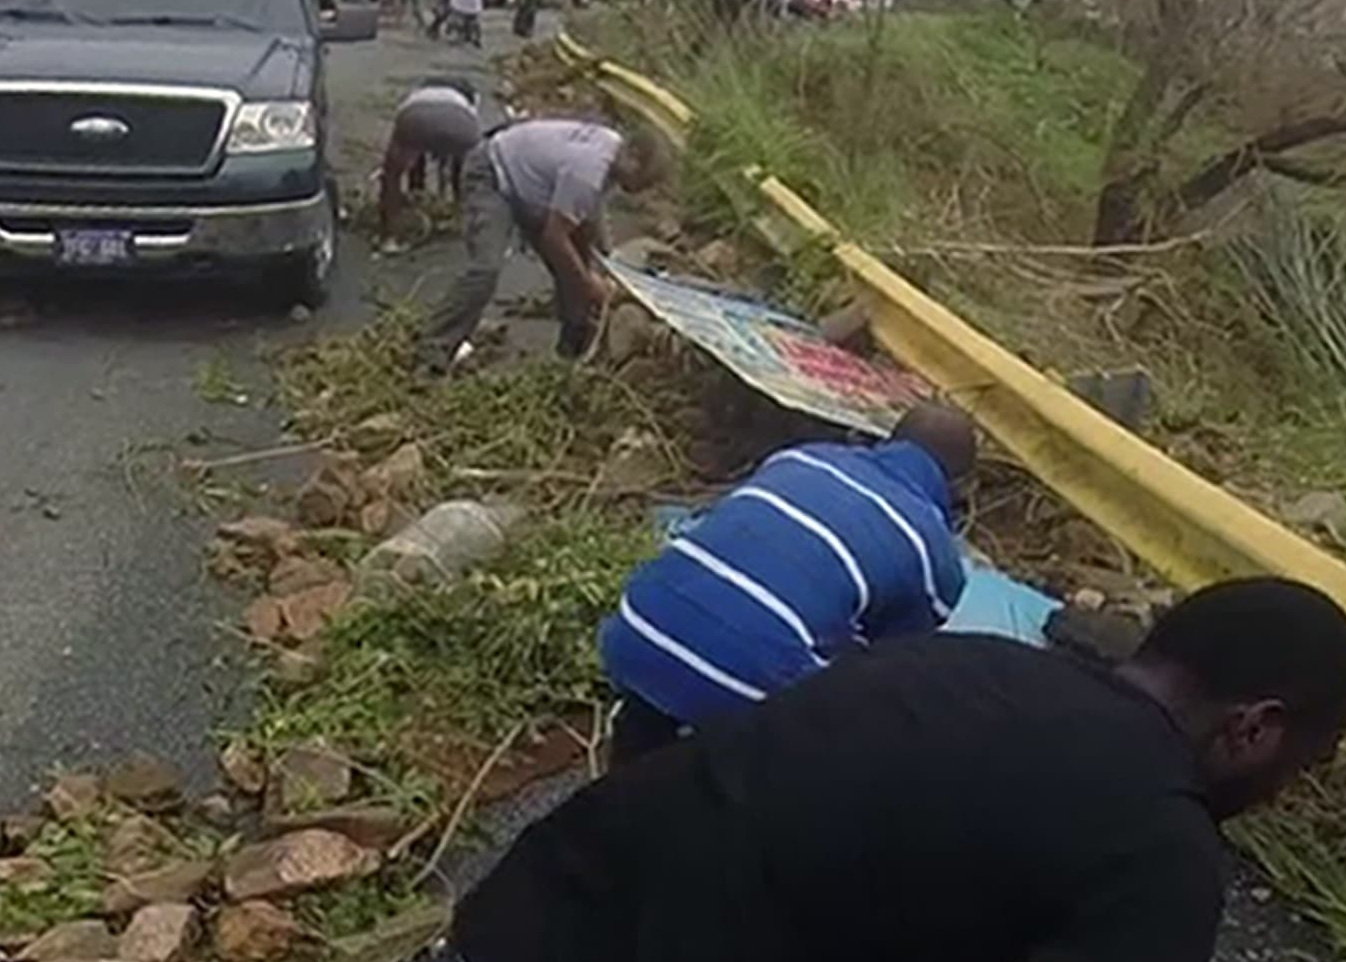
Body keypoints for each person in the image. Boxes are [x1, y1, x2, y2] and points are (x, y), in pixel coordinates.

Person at [446, 576, 1346, 962]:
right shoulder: (1167, 850)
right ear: (1254, 730)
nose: (1285, 790)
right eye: (1303, 765)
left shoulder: (969, 662)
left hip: (514, 929)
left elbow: (847, 874)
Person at [599, 402, 979, 766]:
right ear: (960, 486)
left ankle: (622, 784)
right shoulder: (934, 554)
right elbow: (887, 667)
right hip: (743, 684)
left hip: (635, 626)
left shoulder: (802, 456)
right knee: (854, 720)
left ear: (889, 439)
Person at [423, 118, 668, 369]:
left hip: (531, 184)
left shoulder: (611, 147)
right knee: (487, 268)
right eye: (643, 181)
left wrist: (609, 262)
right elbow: (555, 238)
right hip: (493, 174)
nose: (639, 191)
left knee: (577, 260)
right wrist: (589, 285)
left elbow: (591, 212)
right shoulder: (587, 170)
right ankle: (436, 346)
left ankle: (571, 349)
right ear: (634, 157)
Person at [378, 77, 486, 244]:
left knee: (392, 174)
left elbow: (417, 154)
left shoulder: (416, 94)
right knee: (470, 171)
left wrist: (413, 183)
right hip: (460, 122)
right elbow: (459, 167)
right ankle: (467, 219)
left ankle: (390, 232)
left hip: (414, 118)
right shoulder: (468, 100)